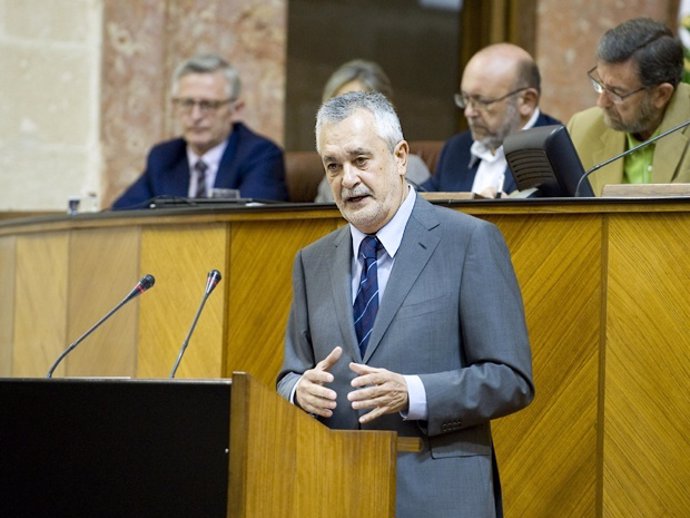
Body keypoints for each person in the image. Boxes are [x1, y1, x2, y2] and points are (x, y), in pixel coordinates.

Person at [277, 91, 534, 518]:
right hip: (336, 490)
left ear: (400, 157)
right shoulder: (312, 260)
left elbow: (511, 379)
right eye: (333, 166)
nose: (347, 179)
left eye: (361, 160)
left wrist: (413, 393)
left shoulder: (469, 242)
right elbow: (290, 372)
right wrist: (297, 392)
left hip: (440, 494)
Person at [112, 53, 287, 209]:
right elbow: (121, 217)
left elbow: (253, 226)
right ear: (175, 106)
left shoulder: (259, 155)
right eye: (187, 104)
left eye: (208, 105)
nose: (196, 116)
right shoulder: (164, 157)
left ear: (236, 110)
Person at [567, 17, 690, 195]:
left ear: (661, 95)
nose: (601, 103)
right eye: (600, 85)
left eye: (616, 92)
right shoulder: (582, 128)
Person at [423, 43, 560, 198]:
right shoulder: (457, 148)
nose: (468, 112)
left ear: (526, 101)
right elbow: (423, 200)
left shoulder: (557, 152)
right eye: (465, 99)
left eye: (482, 101)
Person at [314, 59, 431, 202]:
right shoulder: (329, 183)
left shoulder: (411, 168)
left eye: (361, 160)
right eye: (336, 108)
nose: (348, 179)